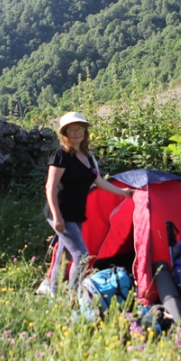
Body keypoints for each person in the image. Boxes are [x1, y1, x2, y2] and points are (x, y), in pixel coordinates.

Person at [44, 111, 134, 295]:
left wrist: (122, 193)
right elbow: (50, 186)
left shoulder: (87, 156)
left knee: (65, 255)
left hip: (75, 212)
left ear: (85, 131)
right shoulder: (61, 155)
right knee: (81, 255)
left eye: (80, 129)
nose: (77, 132)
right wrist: (57, 217)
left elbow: (98, 181)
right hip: (60, 212)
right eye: (72, 129)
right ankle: (74, 296)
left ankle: (54, 294)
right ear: (65, 133)